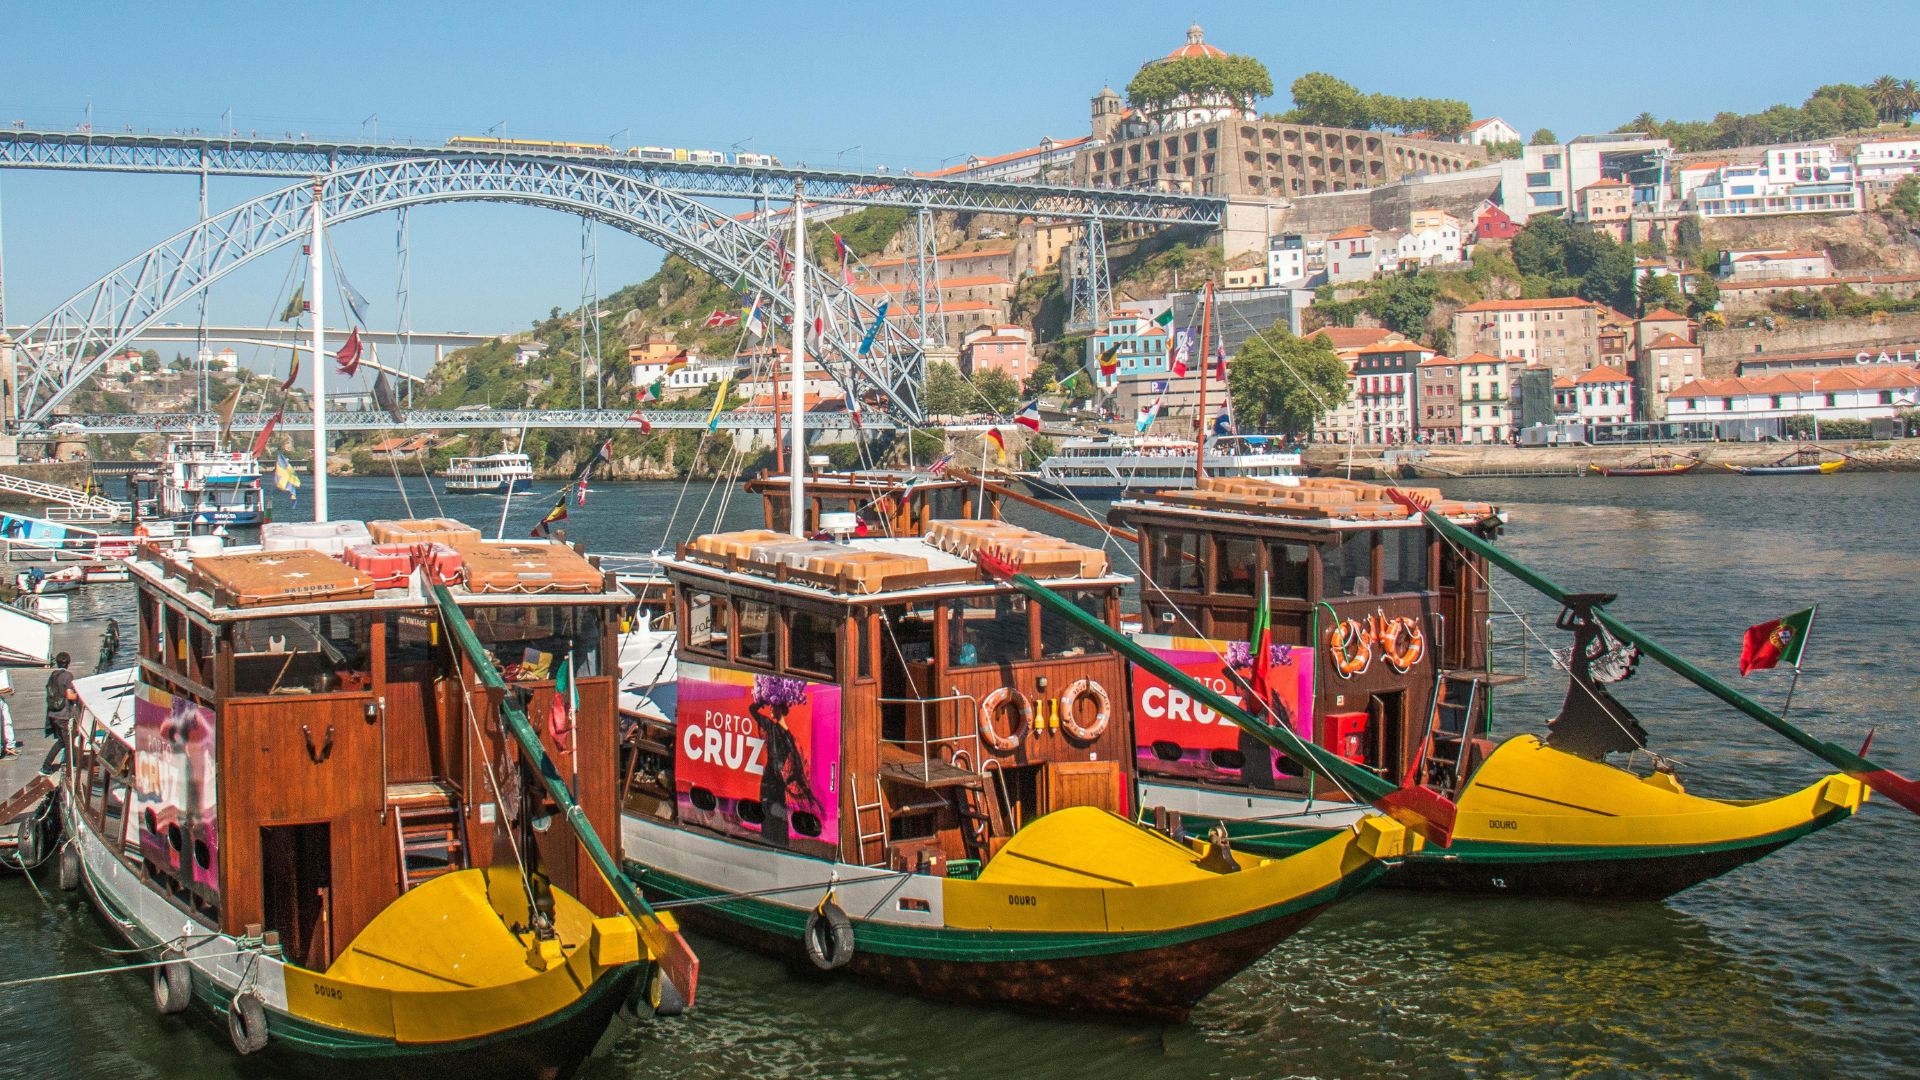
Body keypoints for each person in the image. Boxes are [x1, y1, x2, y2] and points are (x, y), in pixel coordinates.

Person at [41, 652, 77, 773]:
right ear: (68, 663)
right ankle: (69, 770)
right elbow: (70, 695)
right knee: (69, 743)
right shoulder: (68, 676)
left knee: (61, 741)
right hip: (63, 714)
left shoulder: (53, 674)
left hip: (53, 714)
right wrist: (80, 695)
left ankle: (46, 767)